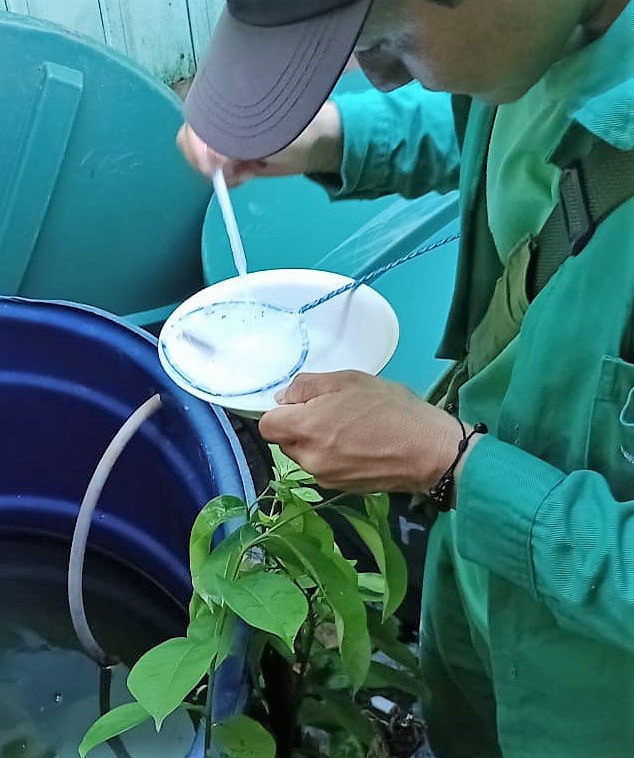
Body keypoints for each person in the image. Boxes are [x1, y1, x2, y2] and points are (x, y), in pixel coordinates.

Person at [176, 0, 634, 756]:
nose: (380, 79)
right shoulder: (552, 30)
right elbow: (517, 131)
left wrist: (451, 466)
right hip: (479, 583)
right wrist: (332, 139)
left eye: (387, 40)